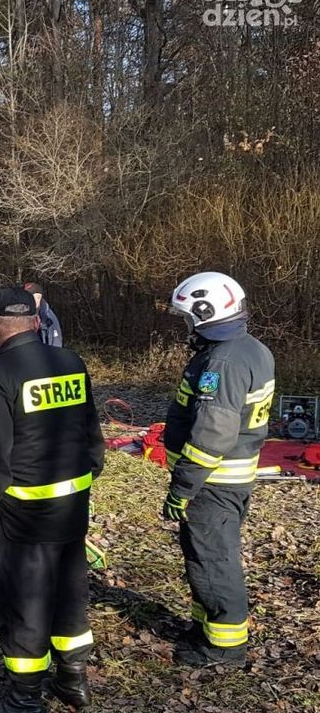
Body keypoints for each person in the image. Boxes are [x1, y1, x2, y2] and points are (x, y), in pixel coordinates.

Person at [0, 286, 104, 712]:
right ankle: (73, 679)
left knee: (24, 600)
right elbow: (92, 435)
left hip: (20, 511)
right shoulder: (70, 362)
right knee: (69, 589)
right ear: (35, 321)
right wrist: (85, 476)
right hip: (73, 501)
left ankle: (24, 700)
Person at [161, 272, 274, 667]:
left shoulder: (222, 362)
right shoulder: (249, 349)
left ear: (206, 312)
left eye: (188, 316)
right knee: (205, 556)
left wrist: (183, 487)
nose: (186, 325)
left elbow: (212, 435)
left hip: (211, 483)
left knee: (213, 560)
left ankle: (224, 647)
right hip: (229, 480)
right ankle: (205, 625)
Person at [23, 282, 63, 347]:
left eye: (30, 296)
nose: (26, 299)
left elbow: (56, 343)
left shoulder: (48, 318)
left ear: (39, 297)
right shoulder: (18, 315)